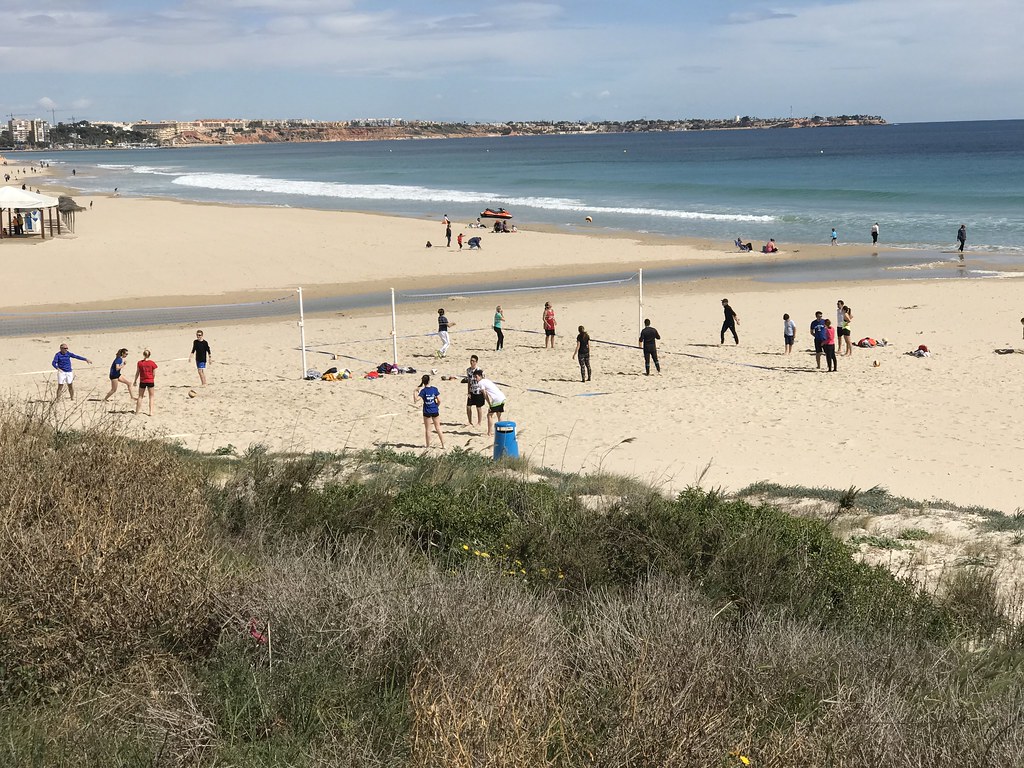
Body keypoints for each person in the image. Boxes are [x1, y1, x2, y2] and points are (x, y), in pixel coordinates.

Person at [414, 374, 445, 448]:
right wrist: (436, 406)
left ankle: (428, 446)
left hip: (427, 411)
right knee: (438, 428)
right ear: (429, 380)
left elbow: (416, 400)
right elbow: (439, 400)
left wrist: (415, 392)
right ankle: (443, 445)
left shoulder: (423, 391)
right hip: (434, 410)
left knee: (428, 429)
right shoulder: (434, 389)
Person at [473, 370, 507, 436]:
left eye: (476, 377)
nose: (475, 378)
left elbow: (485, 394)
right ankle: (501, 431)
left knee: (489, 415)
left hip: (496, 399)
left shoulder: (480, 383)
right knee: (499, 414)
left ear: (480, 376)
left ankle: (489, 432)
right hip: (502, 397)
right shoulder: (487, 380)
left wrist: (489, 404)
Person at [133, 349, 158, 416]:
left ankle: (137, 412)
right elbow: (154, 373)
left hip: (142, 381)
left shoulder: (140, 363)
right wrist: (152, 379)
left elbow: (137, 373)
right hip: (150, 380)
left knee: (140, 396)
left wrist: (135, 380)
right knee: (151, 396)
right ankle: (151, 412)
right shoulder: (152, 363)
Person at [466, 355, 484, 426]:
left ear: (476, 362)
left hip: (479, 391)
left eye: (473, 361)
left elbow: (483, 380)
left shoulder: (479, 370)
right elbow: (469, 381)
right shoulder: (468, 370)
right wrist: (468, 392)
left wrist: (483, 391)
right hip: (472, 391)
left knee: (478, 407)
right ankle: (469, 421)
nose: (471, 362)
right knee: (468, 407)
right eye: (471, 360)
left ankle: (479, 422)